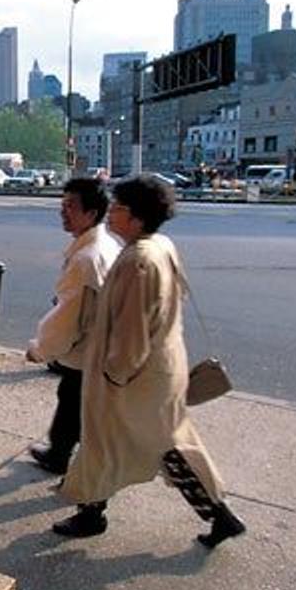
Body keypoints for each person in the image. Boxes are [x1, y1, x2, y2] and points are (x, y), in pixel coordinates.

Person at [53, 174, 246, 549]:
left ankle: (93, 514)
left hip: (135, 379)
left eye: (119, 208)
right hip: (160, 369)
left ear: (137, 217)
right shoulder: (159, 245)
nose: (111, 214)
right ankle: (93, 512)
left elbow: (130, 332)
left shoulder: (138, 260)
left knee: (113, 442)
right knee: (157, 444)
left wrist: (113, 375)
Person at [25, 177, 122, 474]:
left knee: (73, 401)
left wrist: (40, 349)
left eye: (70, 207)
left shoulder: (86, 258)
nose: (63, 212)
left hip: (87, 350)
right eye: (62, 205)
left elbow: (68, 317)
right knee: (73, 401)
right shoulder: (106, 244)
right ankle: (60, 452)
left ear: (91, 214)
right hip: (99, 346)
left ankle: (64, 458)